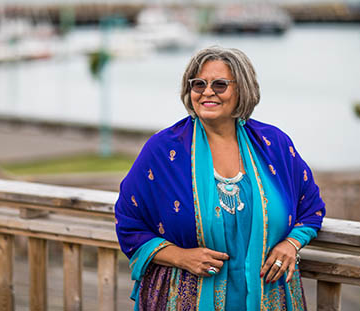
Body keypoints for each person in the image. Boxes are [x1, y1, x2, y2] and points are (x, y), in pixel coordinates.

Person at [115, 46, 325, 310]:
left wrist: (292, 244)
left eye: (220, 84)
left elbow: (311, 207)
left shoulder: (274, 145)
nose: (207, 92)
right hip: (185, 299)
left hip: (268, 297)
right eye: (199, 84)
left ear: (242, 89)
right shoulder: (162, 150)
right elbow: (128, 222)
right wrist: (180, 257)